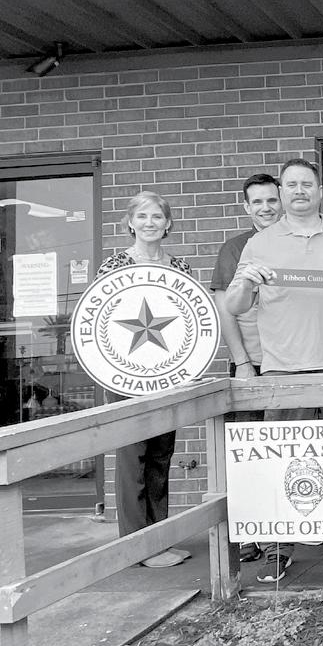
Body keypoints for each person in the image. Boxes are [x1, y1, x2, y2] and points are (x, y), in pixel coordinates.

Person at [224, 158, 323, 583]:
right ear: (281, 191)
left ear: (319, 190)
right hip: (284, 370)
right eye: (291, 185)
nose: (300, 191)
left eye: (307, 184)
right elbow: (236, 306)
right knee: (284, 461)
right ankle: (278, 549)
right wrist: (246, 281)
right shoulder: (260, 244)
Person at [97, 191, 194, 569]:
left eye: (157, 216)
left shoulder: (180, 267)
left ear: (168, 223)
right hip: (125, 374)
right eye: (142, 216)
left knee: (160, 455)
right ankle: (135, 546)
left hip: (167, 373)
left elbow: (189, 318)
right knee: (132, 456)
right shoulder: (114, 266)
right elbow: (99, 317)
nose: (150, 223)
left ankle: (159, 539)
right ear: (130, 223)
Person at [210, 172, 282, 564]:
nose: (266, 208)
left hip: (293, 365)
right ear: (246, 206)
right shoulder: (235, 248)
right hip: (253, 362)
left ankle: (286, 534)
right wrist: (241, 362)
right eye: (258, 201)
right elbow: (226, 310)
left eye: (272, 199)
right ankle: (253, 535)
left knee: (289, 451)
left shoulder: (293, 242)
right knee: (251, 456)